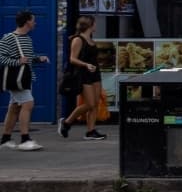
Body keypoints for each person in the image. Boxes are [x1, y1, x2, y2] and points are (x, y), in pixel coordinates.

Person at [0, 10, 50, 151]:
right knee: (28, 104)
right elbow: (1, 57)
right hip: (16, 79)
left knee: (14, 108)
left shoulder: (27, 38)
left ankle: (5, 139)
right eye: (33, 20)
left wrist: (38, 58)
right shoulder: (9, 38)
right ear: (27, 21)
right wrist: (17, 61)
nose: (35, 23)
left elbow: (28, 57)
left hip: (25, 78)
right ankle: (25, 139)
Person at [58, 18, 109, 142]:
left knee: (95, 103)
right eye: (95, 23)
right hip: (83, 74)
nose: (96, 25)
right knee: (89, 103)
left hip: (95, 73)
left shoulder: (91, 40)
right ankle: (66, 122)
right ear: (90, 25)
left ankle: (90, 131)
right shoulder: (78, 39)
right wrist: (86, 65)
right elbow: (72, 59)